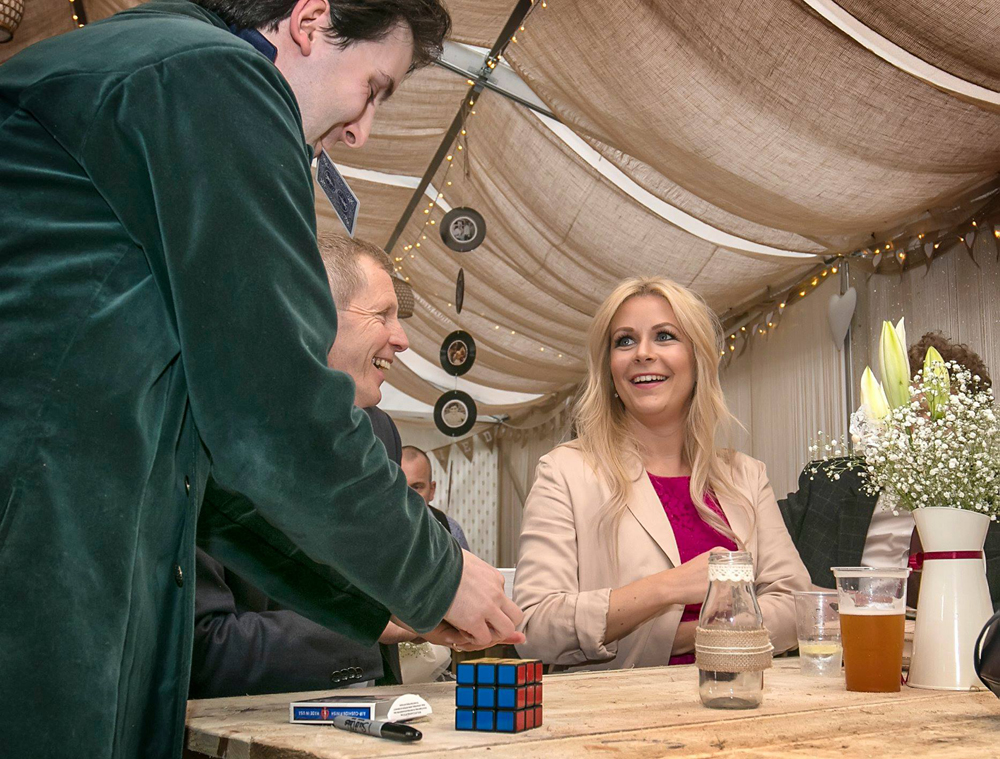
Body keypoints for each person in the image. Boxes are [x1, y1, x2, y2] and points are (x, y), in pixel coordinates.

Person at [0, 2, 521, 757]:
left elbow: (222, 486)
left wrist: (379, 597)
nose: (360, 131)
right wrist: (437, 574)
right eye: (373, 87)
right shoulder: (217, 78)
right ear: (310, 20)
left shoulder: (153, 82)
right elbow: (279, 419)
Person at [513, 277, 810, 670]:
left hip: (741, 705)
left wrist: (683, 637)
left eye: (665, 336)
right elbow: (534, 627)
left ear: (697, 358)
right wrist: (668, 588)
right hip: (619, 721)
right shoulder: (566, 471)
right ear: (609, 370)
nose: (642, 353)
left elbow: (795, 603)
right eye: (624, 341)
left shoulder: (745, 476)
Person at [191, 236, 419, 697]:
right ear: (311, 312)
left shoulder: (381, 432)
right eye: (382, 315)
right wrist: (364, 626)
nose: (403, 340)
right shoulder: (208, 430)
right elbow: (201, 650)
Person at [779, 332, 1000, 604]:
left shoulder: (991, 503)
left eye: (943, 416)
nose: (926, 428)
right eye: (915, 412)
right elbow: (749, 542)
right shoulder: (827, 486)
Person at [402, 445, 472, 551]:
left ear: (431, 490)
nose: (409, 495)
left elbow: (466, 567)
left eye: (416, 487)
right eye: (401, 486)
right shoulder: (375, 529)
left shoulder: (451, 530)